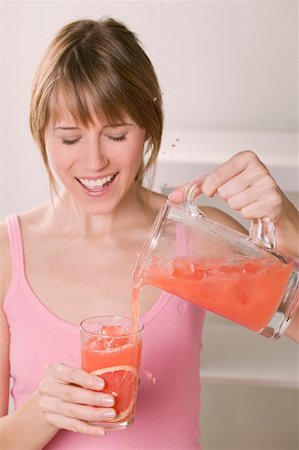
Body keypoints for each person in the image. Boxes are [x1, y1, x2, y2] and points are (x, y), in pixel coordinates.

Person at [0, 17, 298, 450]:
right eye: (69, 139)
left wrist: (293, 230)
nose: (94, 161)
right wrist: (42, 411)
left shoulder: (190, 237)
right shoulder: (9, 255)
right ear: (41, 135)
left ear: (147, 130)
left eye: (116, 134)